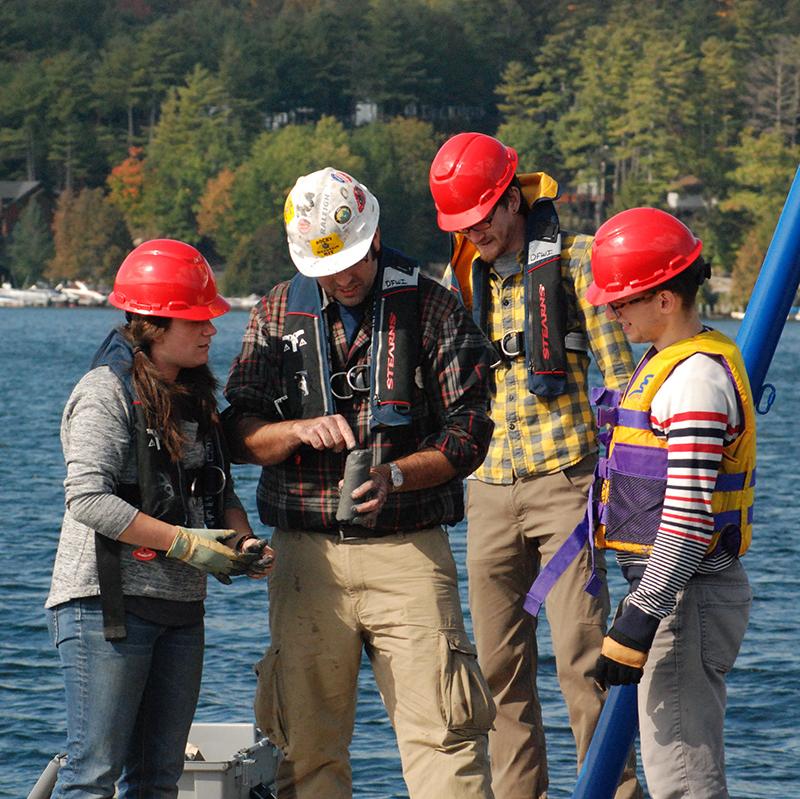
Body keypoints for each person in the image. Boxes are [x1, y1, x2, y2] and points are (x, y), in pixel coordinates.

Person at [223, 167, 497, 799]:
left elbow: (470, 431)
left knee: (446, 742)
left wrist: (395, 474)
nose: (343, 277)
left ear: (374, 237)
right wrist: (295, 431)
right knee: (302, 752)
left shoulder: (431, 307)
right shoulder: (275, 311)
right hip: (304, 557)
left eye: (351, 261)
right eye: (327, 267)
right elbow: (237, 431)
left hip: (409, 549)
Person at [429, 132, 641, 799]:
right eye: (463, 225)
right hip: (489, 491)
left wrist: (630, 489)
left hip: (569, 488)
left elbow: (622, 382)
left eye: (484, 216)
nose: (477, 232)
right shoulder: (460, 282)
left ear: (513, 196)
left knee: (584, 657)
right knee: (497, 670)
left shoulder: (577, 266)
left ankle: (613, 790)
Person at [45, 239, 274, 798]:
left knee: (157, 780)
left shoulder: (192, 397)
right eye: (196, 318)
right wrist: (184, 544)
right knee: (92, 775)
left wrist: (243, 545)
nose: (210, 330)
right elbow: (89, 501)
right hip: (106, 608)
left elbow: (218, 493)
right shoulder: (104, 393)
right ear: (151, 324)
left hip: (179, 611)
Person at [587, 208, 755, 798]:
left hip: (684, 599)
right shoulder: (679, 364)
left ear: (665, 298)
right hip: (677, 595)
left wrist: (638, 622)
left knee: (682, 779)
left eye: (622, 301)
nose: (612, 312)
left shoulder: (693, 384)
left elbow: (686, 520)